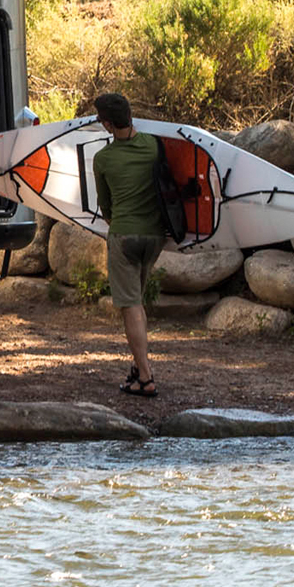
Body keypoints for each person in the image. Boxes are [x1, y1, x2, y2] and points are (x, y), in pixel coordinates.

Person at [90, 92, 164, 398]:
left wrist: (119, 225)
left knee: (130, 306)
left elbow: (105, 206)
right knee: (138, 302)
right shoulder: (153, 146)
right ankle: (139, 367)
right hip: (154, 237)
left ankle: (145, 378)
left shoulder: (103, 159)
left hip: (124, 236)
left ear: (108, 124)